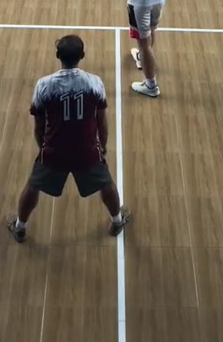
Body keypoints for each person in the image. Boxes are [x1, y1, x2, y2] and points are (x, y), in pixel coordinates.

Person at [7, 34, 131, 242]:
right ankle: (117, 221)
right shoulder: (94, 83)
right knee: (106, 184)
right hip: (87, 151)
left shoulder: (44, 85)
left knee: (33, 186)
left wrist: (43, 148)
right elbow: (102, 121)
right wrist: (102, 147)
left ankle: (20, 227)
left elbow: (39, 125)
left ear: (58, 55)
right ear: (82, 55)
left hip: (54, 152)